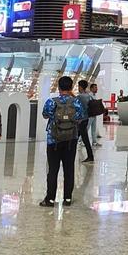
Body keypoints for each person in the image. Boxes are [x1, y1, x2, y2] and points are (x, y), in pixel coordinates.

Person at [40, 76, 84, 207]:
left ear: (59, 87)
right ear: (71, 87)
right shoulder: (76, 102)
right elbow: (81, 117)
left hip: (54, 140)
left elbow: (45, 115)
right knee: (69, 168)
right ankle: (68, 198)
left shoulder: (51, 102)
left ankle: (50, 199)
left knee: (53, 169)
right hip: (71, 139)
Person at [76, 80, 95, 162]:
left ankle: (90, 156)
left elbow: (76, 108)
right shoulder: (88, 96)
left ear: (80, 87)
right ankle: (90, 156)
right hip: (86, 119)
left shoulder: (80, 96)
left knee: (84, 139)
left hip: (81, 120)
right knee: (79, 137)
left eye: (78, 86)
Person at [89, 82, 104, 146]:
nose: (97, 89)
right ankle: (80, 141)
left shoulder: (94, 95)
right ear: (91, 88)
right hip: (90, 115)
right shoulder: (90, 95)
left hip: (94, 114)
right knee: (87, 128)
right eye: (95, 88)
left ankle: (94, 142)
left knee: (94, 128)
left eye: (96, 87)